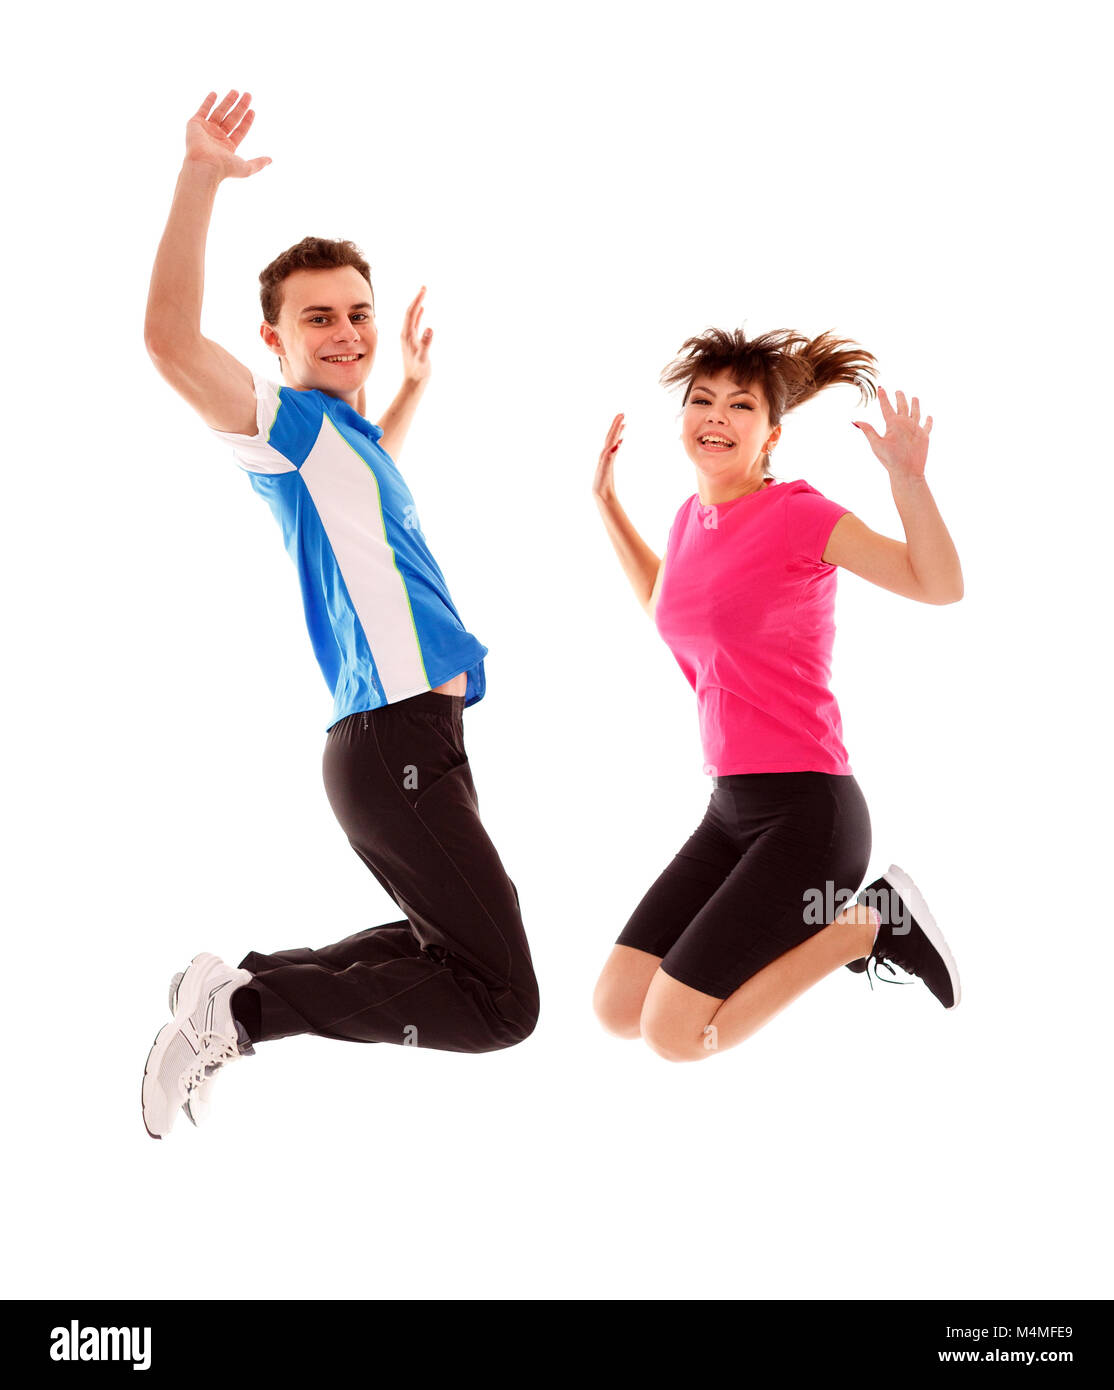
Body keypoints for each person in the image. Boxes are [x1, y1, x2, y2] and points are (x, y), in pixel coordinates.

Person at [140, 90, 538, 1139]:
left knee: (447, 956)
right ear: (272, 339)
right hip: (393, 741)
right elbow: (169, 341)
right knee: (503, 1004)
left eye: (357, 310)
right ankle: (246, 1009)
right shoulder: (293, 428)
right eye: (319, 317)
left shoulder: (345, 448)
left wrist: (407, 389)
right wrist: (199, 177)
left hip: (412, 743)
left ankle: (237, 987)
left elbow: (372, 492)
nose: (347, 330)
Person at [591, 327, 963, 1063]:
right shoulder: (688, 520)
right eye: (702, 401)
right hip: (728, 810)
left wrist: (907, 483)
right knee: (617, 1008)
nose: (716, 417)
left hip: (807, 813)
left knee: (675, 1035)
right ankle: (856, 925)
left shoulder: (798, 513)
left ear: (770, 435)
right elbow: (667, 606)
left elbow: (938, 586)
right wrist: (604, 501)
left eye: (739, 406)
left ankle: (868, 924)